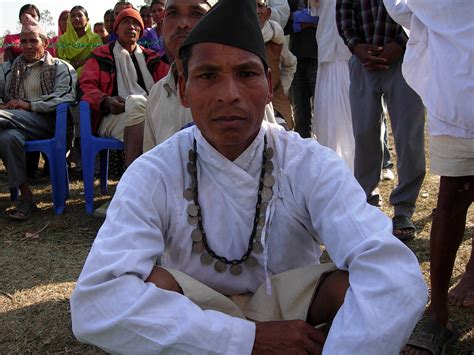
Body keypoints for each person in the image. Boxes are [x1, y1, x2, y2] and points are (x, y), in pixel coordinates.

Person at [71, 0, 427, 353]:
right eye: (208, 76)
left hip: (293, 313)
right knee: (154, 282)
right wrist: (245, 340)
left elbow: (394, 275)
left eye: (246, 74)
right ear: (183, 90)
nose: (229, 95)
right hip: (195, 316)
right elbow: (95, 301)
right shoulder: (154, 171)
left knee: (351, 285)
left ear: (268, 84)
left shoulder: (309, 162)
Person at [383, 1, 474, 354]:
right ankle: (437, 314)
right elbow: (402, 9)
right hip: (454, 104)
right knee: (451, 199)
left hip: (451, 97)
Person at [336, 0, 426, 241]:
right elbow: (344, 12)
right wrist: (357, 47)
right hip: (363, 62)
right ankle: (366, 203)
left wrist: (400, 43)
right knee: (364, 133)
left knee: (408, 136)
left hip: (405, 60)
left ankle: (403, 208)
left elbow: (422, 11)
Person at [142, 0, 277, 153]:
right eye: (173, 13)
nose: (183, 24)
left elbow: (268, 155)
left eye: (196, 13)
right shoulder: (156, 95)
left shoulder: (247, 87)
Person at [0, 15, 76, 220]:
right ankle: (26, 197)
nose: (27, 46)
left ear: (45, 42)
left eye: (33, 40)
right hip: (13, 124)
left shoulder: (61, 66)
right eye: (23, 41)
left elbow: (64, 96)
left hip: (47, 124)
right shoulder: (8, 69)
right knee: (7, 138)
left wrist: (28, 105)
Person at [79, 7, 169, 168]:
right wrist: (106, 101)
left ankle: (134, 179)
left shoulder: (152, 58)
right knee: (140, 108)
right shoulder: (100, 55)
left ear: (141, 31)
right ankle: (136, 178)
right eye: (126, 22)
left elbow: (169, 84)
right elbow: (85, 86)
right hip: (110, 117)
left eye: (136, 23)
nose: (131, 27)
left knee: (152, 115)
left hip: (151, 114)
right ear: (116, 29)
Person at [311, 0, 354, 172]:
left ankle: (358, 166)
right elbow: (315, 9)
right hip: (328, 49)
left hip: (351, 51)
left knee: (354, 114)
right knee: (328, 113)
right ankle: (331, 166)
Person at [257, 0, 296, 129]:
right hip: (248, 103)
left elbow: (290, 64)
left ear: (268, 13)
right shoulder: (236, 37)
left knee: (282, 133)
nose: (257, 11)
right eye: (252, 6)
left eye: (260, 6)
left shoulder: (275, 35)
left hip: (276, 102)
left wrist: (280, 89)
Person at [285, 0, 319, 138]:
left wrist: (297, 18)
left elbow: (325, 18)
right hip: (296, 60)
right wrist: (308, 21)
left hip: (318, 58)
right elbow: (284, 25)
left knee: (323, 112)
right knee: (300, 116)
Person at [57, 6, 102, 78]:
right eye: (73, 16)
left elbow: (95, 61)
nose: (76, 18)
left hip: (90, 78)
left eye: (80, 15)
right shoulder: (63, 39)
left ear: (87, 19)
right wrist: (79, 63)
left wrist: (73, 64)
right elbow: (60, 63)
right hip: (65, 78)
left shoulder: (95, 39)